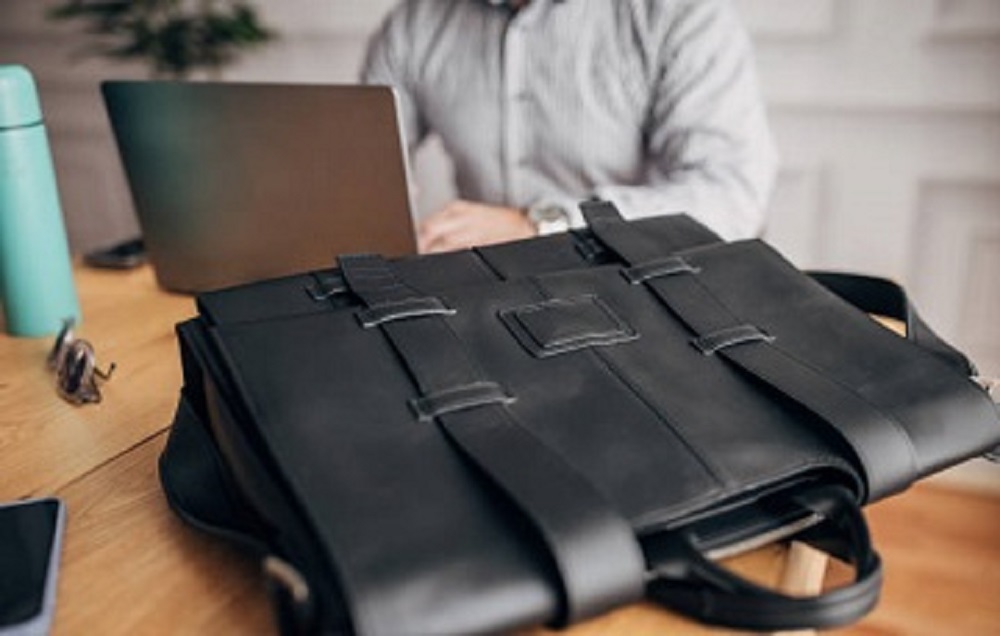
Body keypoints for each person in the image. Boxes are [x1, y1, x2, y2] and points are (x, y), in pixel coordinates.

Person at [361, 0, 778, 253]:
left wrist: (539, 225)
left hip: (643, 299)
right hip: (485, 301)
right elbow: (359, 169)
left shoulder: (681, 14)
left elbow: (731, 195)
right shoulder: (413, 23)